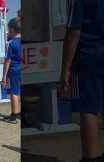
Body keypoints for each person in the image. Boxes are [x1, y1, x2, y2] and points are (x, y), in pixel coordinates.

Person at [61, 0, 104, 162]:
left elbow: (74, 32)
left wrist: (65, 69)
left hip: (89, 55)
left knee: (89, 108)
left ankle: (90, 157)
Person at [2, 18, 21, 124]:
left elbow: (7, 60)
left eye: (8, 29)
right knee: (18, 92)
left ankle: (14, 116)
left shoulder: (11, 43)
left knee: (13, 92)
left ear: (12, 30)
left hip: (14, 70)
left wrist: (4, 76)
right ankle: (17, 112)